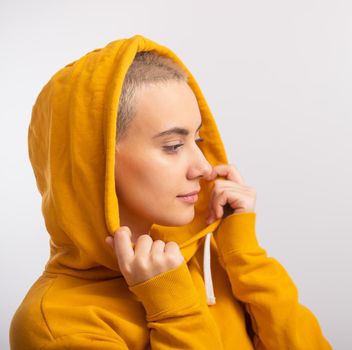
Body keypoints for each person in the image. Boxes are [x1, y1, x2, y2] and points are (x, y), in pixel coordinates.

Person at [10, 34, 332, 349]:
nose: (204, 168)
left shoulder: (199, 257)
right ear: (94, 161)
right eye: (174, 145)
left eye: (198, 140)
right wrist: (172, 309)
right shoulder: (54, 325)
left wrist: (244, 255)